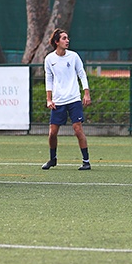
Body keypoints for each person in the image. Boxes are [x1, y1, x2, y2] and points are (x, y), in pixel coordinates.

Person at [42, 29, 92, 171]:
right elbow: (49, 79)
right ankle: (52, 159)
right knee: (52, 133)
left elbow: (82, 74)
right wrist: (49, 99)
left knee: (77, 129)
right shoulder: (49, 59)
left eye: (67, 38)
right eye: (64, 38)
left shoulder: (74, 56)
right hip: (58, 101)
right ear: (56, 42)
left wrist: (86, 93)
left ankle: (86, 161)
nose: (67, 40)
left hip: (74, 99)